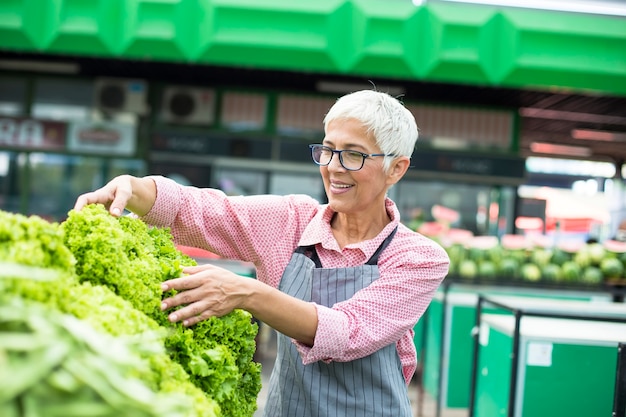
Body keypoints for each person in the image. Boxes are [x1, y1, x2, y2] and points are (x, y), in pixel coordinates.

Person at [74, 89, 450, 416]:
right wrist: (131, 188)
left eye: (353, 155)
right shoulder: (290, 221)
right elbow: (198, 209)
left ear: (396, 168)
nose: (334, 168)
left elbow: (348, 332)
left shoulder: (417, 258)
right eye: (328, 150)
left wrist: (247, 293)